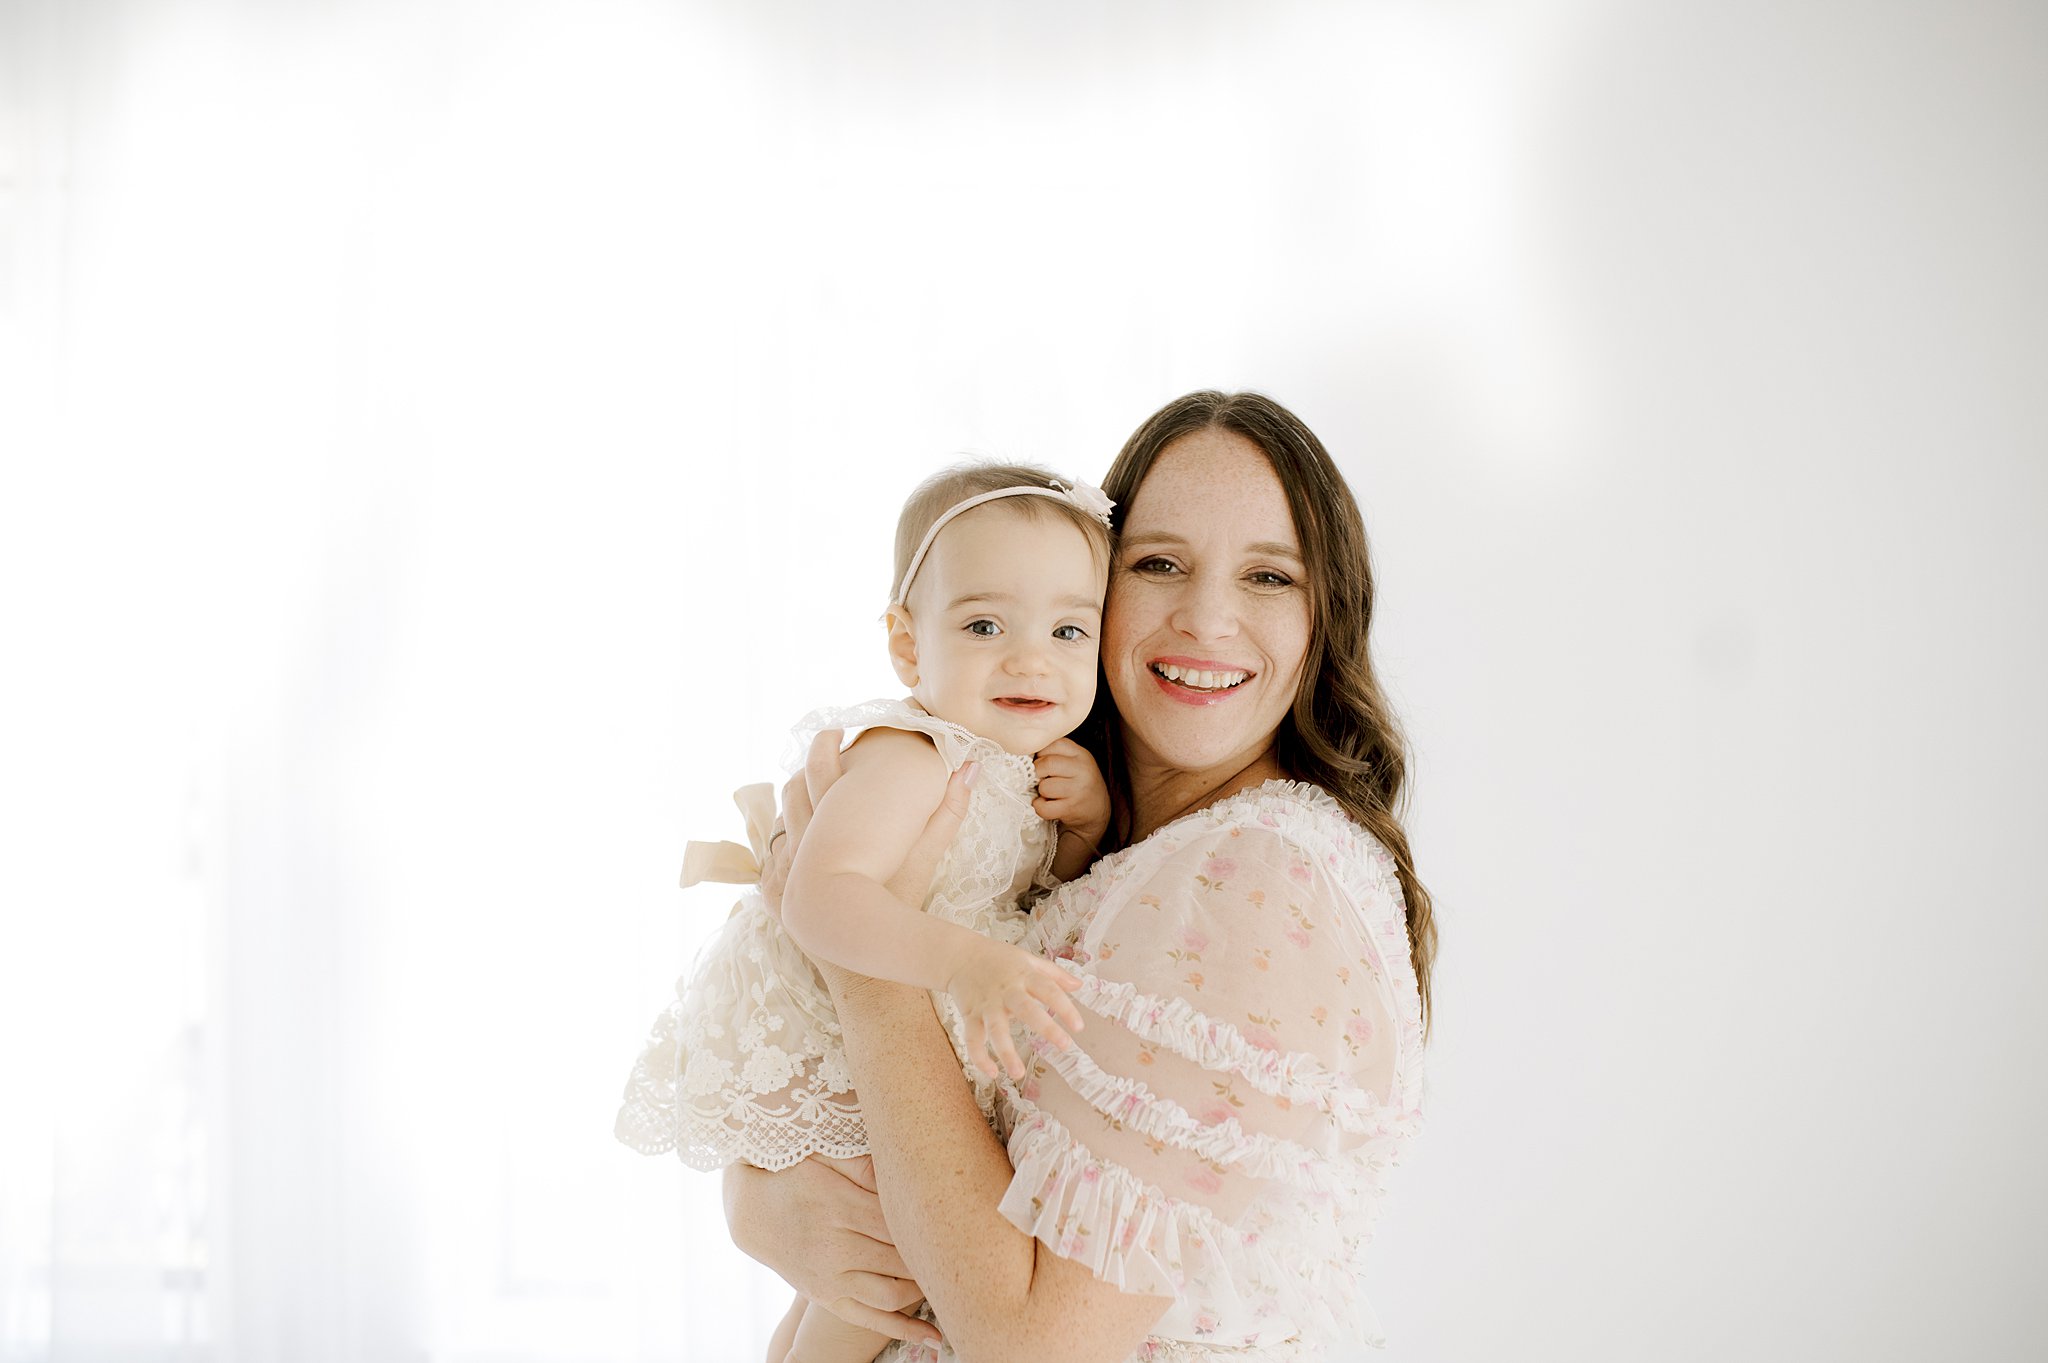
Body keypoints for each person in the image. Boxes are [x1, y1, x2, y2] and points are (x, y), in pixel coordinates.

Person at [727, 391, 1437, 1362]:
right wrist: (765, 1198)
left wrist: (868, 975)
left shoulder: (1248, 877)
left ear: (1327, 617)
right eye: (1157, 563)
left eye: (1269, 576)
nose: (1207, 617)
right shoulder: (1084, 837)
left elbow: (1035, 1346)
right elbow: (942, 1154)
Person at [616, 461, 1131, 1363]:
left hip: (897, 1037)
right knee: (881, 1268)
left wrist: (1083, 827)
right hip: (827, 1042)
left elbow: (1040, 898)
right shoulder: (911, 752)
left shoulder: (1020, 764)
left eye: (1067, 630)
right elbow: (821, 896)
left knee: (865, 1265)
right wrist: (965, 965)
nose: (1030, 657)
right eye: (983, 625)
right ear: (907, 644)